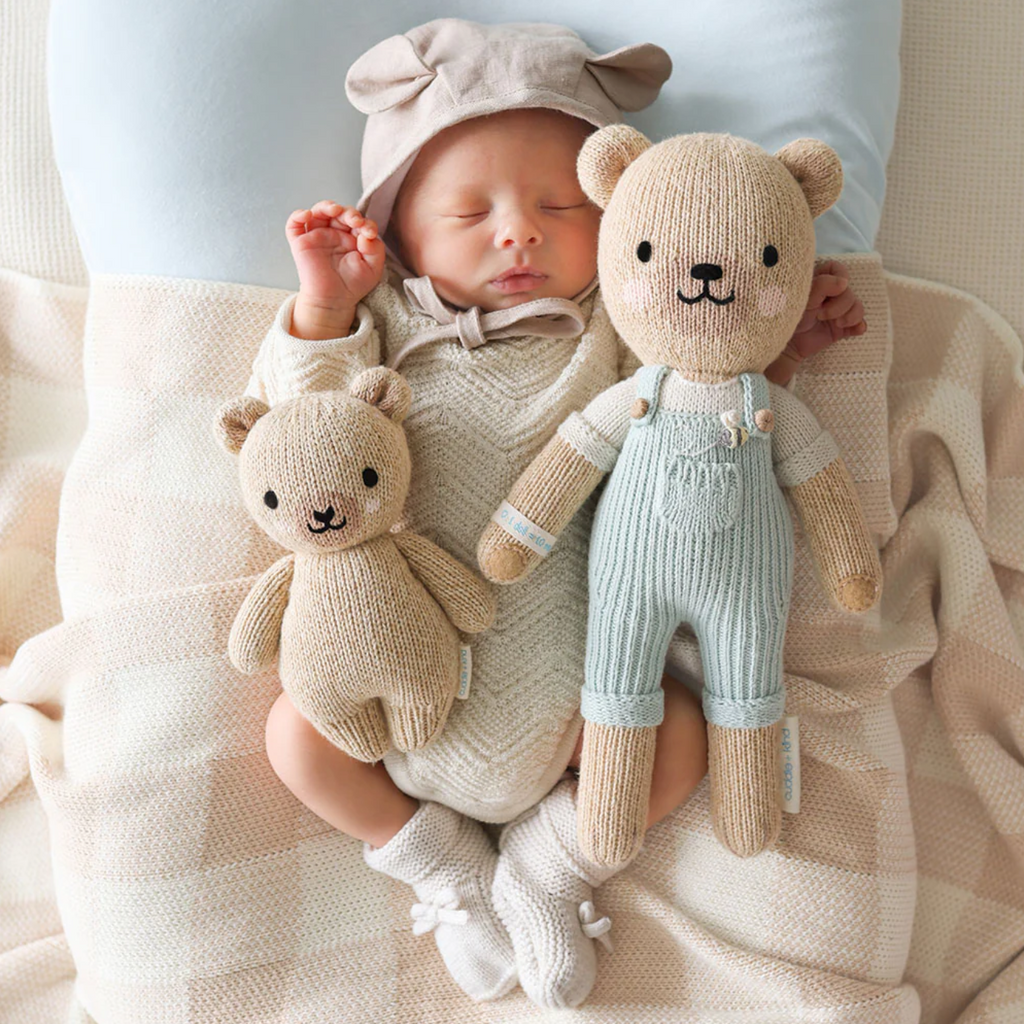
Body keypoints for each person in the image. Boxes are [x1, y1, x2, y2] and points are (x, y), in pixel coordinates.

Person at [246, 19, 867, 1009]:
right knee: (292, 736)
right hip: (388, 689)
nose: (518, 231)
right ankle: (435, 859)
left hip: (579, 702)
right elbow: (300, 419)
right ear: (400, 227)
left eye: (559, 203)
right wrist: (326, 305)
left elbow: (702, 395)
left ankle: (548, 864)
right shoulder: (390, 331)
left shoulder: (612, 333)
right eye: (467, 210)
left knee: (678, 733)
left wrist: (785, 349)